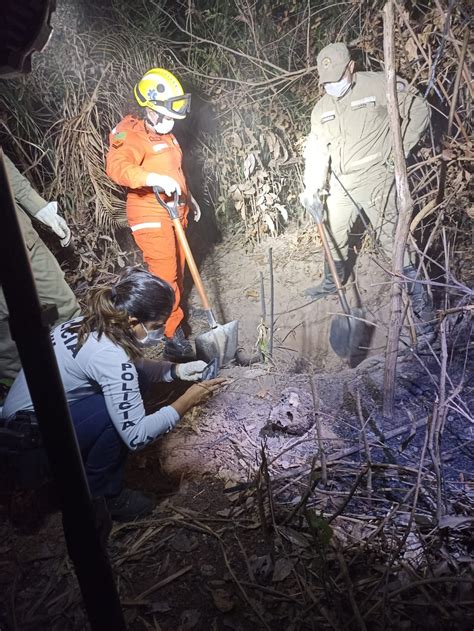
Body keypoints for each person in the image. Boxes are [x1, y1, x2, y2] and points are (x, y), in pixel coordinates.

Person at [2, 268, 225, 521]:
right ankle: (104, 496)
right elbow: (137, 436)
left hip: (25, 420)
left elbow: (133, 367)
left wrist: (176, 370)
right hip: (30, 443)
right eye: (157, 326)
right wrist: (188, 399)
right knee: (114, 415)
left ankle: (82, 463)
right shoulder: (110, 358)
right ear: (132, 321)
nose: (162, 332)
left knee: (136, 382)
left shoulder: (92, 324)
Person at [300, 42, 431, 320]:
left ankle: (420, 298)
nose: (332, 86)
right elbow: (317, 150)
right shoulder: (320, 109)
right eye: (326, 82)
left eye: (337, 78)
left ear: (351, 67)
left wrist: (399, 151)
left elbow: (420, 110)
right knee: (333, 233)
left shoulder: (379, 85)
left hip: (376, 177)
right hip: (340, 184)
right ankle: (331, 283)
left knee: (391, 238)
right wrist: (311, 187)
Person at [106, 68, 201, 362]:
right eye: (166, 114)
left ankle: (172, 313)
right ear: (149, 107)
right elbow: (118, 168)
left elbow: (174, 171)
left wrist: (190, 197)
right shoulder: (130, 134)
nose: (171, 122)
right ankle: (173, 337)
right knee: (166, 277)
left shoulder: (165, 132)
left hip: (175, 211)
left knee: (179, 272)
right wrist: (151, 179)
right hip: (151, 215)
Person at [0, 152, 80, 393]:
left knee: (62, 305)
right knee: (6, 334)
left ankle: (83, 365)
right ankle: (21, 399)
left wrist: (45, 212)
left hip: (23, 243)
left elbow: (14, 181)